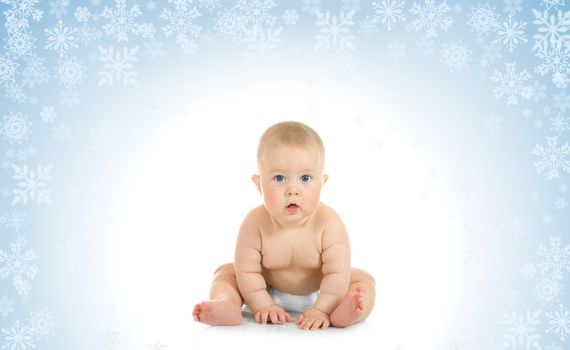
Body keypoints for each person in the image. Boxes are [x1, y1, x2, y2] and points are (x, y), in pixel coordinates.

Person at [193, 121, 375, 330]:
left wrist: (322, 309)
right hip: (265, 290)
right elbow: (247, 272)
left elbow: (336, 274)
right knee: (226, 272)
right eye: (279, 178)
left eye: (305, 178)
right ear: (258, 184)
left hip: (324, 293)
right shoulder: (254, 224)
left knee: (363, 281)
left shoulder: (329, 224)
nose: (293, 190)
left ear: (322, 182)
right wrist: (262, 304)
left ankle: (348, 310)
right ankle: (227, 302)